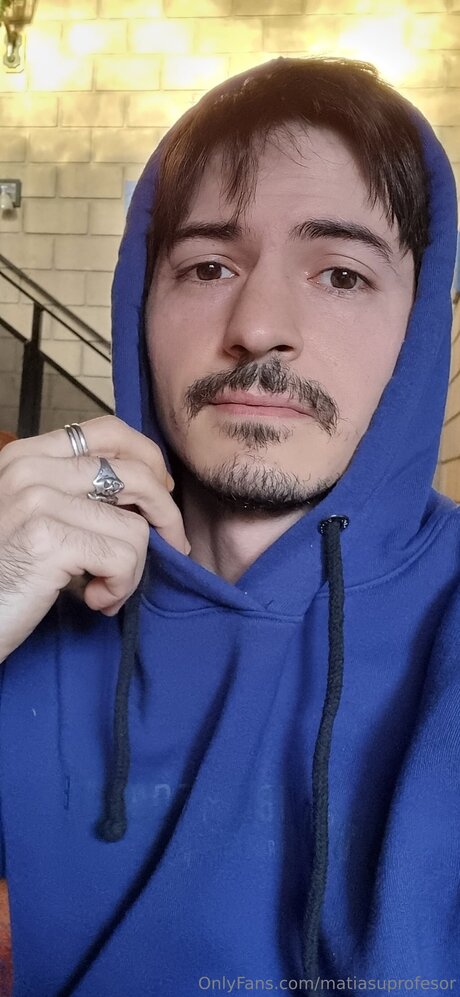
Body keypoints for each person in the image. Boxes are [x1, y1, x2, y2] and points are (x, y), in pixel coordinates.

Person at [0, 56, 458, 996]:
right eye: (209, 266)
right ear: (142, 304)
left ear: (419, 325)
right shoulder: (32, 597)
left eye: (340, 274)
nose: (258, 327)